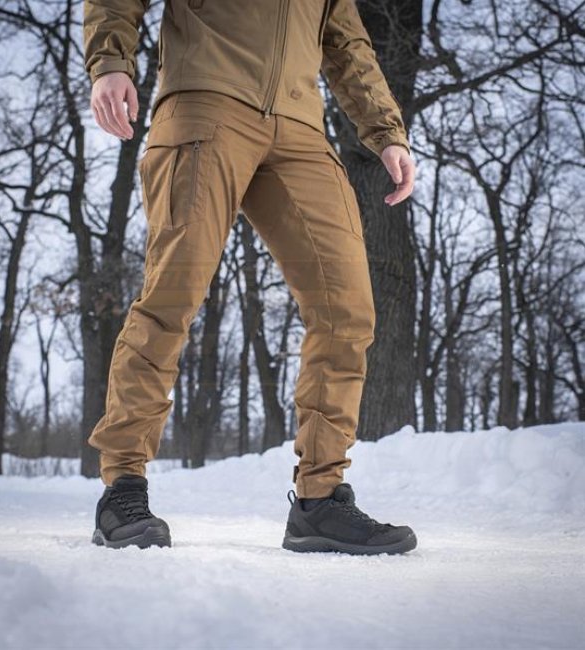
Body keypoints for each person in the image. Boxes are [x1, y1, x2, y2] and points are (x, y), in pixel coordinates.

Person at [84, 0, 417, 555]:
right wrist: (111, 61)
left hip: (301, 127)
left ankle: (320, 501)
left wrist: (386, 130)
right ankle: (123, 487)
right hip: (205, 101)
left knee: (347, 310)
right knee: (171, 299)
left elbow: (347, 41)